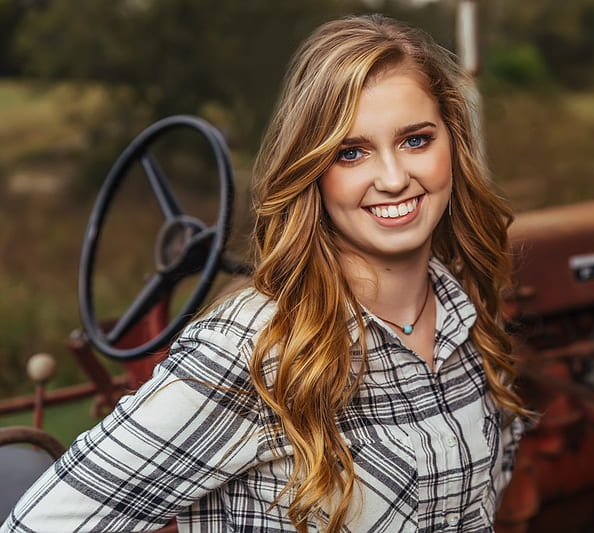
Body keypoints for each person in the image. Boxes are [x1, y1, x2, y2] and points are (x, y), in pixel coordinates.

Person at [1, 13, 528, 532]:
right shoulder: (254, 352)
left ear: (453, 144)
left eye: (416, 140)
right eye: (350, 152)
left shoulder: (470, 314)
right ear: (310, 170)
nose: (393, 178)